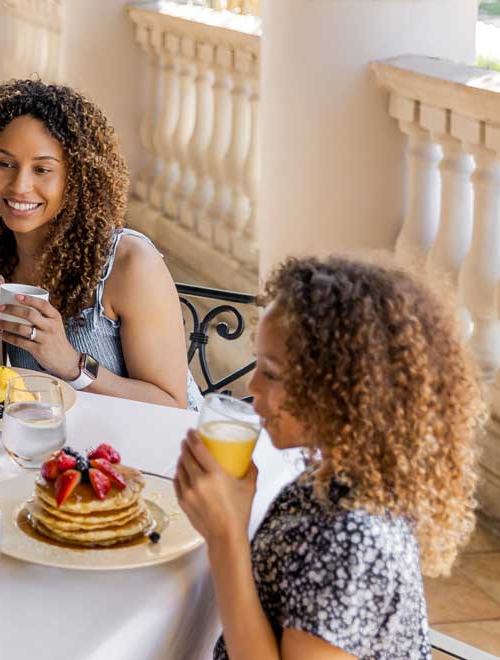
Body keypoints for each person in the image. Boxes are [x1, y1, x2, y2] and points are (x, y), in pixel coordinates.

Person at [175, 256, 483, 659]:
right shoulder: (330, 478)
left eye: (271, 373)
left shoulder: (351, 541)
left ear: (342, 394)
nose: (252, 385)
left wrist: (226, 537)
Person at [0, 79, 200, 409]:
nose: (19, 185)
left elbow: (172, 405)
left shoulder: (129, 263)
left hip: (152, 451)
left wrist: (71, 364)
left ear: (76, 177)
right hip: (57, 444)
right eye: (5, 163)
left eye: (42, 169)